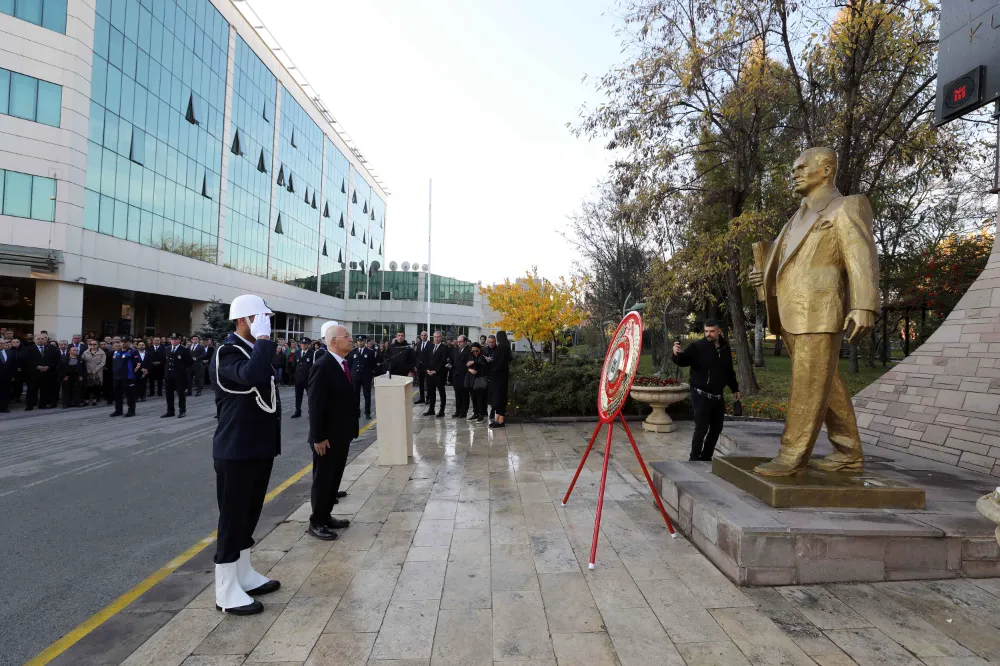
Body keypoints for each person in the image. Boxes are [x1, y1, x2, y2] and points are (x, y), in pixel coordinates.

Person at [747, 146, 878, 476]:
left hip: (821, 309)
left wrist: (863, 304)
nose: (796, 171)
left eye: (803, 166)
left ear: (826, 170)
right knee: (826, 381)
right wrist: (763, 276)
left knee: (808, 382)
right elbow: (787, 262)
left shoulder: (845, 207)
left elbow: (862, 255)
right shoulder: (796, 217)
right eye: (794, 167)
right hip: (792, 311)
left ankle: (791, 455)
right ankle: (849, 451)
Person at [209, 294, 282, 616]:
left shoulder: (251, 350)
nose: (267, 325)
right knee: (232, 518)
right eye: (261, 318)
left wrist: (263, 343)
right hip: (236, 448)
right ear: (244, 320)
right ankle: (225, 589)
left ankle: (244, 574)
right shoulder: (227, 351)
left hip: (257, 446)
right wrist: (264, 339)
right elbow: (251, 377)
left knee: (249, 514)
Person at [306, 323, 357, 541]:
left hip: (341, 434)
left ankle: (326, 516)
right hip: (326, 437)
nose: (351, 339)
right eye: (347, 336)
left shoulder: (342, 364)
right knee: (324, 479)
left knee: (334, 478)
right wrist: (318, 437)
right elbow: (315, 405)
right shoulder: (323, 365)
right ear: (334, 341)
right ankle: (316, 521)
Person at [671, 320, 740, 461]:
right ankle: (694, 458)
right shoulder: (697, 347)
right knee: (701, 428)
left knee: (716, 428)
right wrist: (675, 353)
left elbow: (729, 370)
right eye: (706, 331)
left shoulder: (725, 347)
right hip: (700, 393)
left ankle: (706, 457)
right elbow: (682, 361)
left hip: (717, 395)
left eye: (712, 331)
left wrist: (734, 388)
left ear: (719, 331)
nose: (709, 334)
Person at [23, 333, 60, 410]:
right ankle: (30, 405)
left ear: (45, 340)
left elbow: (54, 359)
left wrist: (48, 366)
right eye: (38, 339)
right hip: (33, 373)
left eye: (42, 339)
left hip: (47, 373)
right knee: (32, 390)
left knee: (45, 390)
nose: (40, 340)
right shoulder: (29, 348)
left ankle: (42, 404)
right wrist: (37, 366)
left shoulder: (51, 348)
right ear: (34, 340)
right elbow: (26, 360)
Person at [163, 333, 193, 418]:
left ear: (179, 340)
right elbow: (165, 362)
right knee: (169, 394)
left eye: (176, 339)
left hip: (179, 376)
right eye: (172, 339)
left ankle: (182, 411)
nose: (174, 341)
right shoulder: (167, 349)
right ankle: (170, 411)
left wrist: (181, 369)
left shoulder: (184, 349)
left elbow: (189, 362)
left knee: (181, 394)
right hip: (169, 375)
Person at [487, 331, 512, 428]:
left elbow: (500, 362)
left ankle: (500, 420)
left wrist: (492, 364)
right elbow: (509, 359)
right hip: (503, 375)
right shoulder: (507, 346)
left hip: (498, 376)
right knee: (500, 396)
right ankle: (498, 418)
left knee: (499, 397)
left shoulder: (501, 347)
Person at [110, 339, 141, 417]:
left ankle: (131, 411)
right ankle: (118, 410)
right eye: (122, 342)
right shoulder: (117, 352)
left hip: (128, 377)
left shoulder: (133, 352)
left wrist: (133, 373)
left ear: (129, 343)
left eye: (125, 342)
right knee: (117, 394)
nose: (123, 343)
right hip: (117, 377)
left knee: (129, 395)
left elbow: (138, 364)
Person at [349, 335, 377, 419]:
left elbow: (373, 365)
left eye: (361, 341)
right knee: (356, 395)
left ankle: (367, 412)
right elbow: (349, 365)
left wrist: (371, 375)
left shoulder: (370, 352)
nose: (360, 342)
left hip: (366, 377)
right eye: (358, 341)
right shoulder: (352, 352)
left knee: (367, 395)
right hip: (355, 377)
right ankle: (356, 412)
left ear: (365, 342)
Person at [423, 331, 449, 417]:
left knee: (441, 393)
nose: (436, 338)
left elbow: (443, 361)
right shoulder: (430, 346)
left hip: (439, 374)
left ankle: (442, 411)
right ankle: (431, 409)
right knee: (431, 392)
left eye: (438, 337)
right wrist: (427, 369)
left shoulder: (444, 348)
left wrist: (435, 371)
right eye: (435, 337)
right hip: (429, 373)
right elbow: (426, 358)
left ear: (441, 338)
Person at [289, 338, 314, 419]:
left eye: (305, 344)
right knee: (298, 395)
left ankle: (311, 412)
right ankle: (298, 411)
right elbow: (294, 365)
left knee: (310, 396)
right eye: (302, 343)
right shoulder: (297, 353)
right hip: (299, 378)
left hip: (308, 378)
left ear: (309, 345)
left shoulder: (312, 353)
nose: (303, 345)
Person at [451, 335, 471, 418]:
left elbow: (468, 363)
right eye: (458, 342)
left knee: (464, 395)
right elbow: (453, 361)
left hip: (464, 375)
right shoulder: (456, 350)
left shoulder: (469, 350)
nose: (458, 343)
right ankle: (457, 411)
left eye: (460, 342)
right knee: (457, 394)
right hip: (456, 375)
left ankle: (464, 411)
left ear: (465, 342)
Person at [467, 342, 489, 422]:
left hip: (480, 379)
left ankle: (481, 414)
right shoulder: (471, 356)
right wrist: (469, 369)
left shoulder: (483, 356)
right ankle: (475, 413)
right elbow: (466, 365)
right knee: (473, 397)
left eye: (476, 351)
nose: (475, 353)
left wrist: (474, 362)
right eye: (473, 351)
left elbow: (483, 365)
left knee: (480, 398)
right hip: (472, 380)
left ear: (479, 349)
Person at [82, 340, 106, 406]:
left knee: (96, 386)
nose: (93, 345)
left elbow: (103, 362)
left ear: (97, 345)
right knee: (87, 386)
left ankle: (95, 400)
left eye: (94, 344)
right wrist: (87, 370)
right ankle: (86, 400)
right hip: (88, 371)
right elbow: (82, 361)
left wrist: (96, 369)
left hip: (97, 372)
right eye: (91, 344)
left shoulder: (102, 353)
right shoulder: (85, 352)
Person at [414, 330, 430, 404]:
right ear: (420, 336)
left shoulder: (430, 344)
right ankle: (421, 398)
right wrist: (416, 365)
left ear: (427, 336)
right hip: (420, 367)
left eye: (425, 335)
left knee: (428, 383)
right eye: (422, 335)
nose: (423, 337)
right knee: (420, 383)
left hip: (427, 367)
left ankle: (428, 398)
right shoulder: (419, 344)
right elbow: (416, 355)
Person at [0, 339, 13, 413]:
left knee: (6, 392)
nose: (1, 345)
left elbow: (13, 365)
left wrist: (13, 375)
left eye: (2, 343)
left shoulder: (9, 353)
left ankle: (4, 407)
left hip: (7, 377)